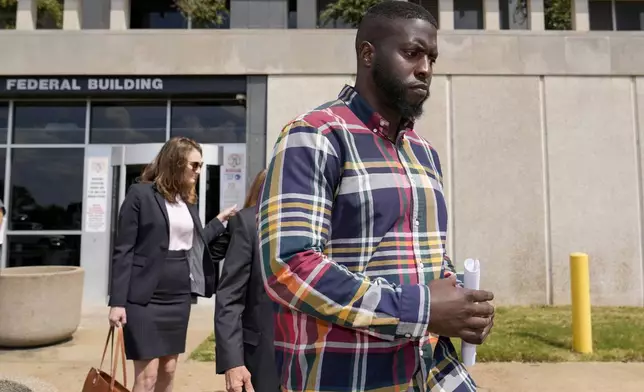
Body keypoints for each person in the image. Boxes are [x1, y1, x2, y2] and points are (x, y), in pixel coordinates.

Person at [258, 2, 495, 392]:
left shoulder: (423, 152)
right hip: (347, 375)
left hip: (431, 373)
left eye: (432, 57)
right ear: (368, 54)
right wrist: (419, 308)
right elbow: (289, 267)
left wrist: (463, 304)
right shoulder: (316, 136)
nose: (426, 68)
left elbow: (426, 257)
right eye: (412, 52)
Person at [108, 136, 237, 392]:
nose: (198, 171)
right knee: (147, 376)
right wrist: (117, 302)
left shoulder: (185, 201)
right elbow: (124, 250)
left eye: (200, 165)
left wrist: (219, 222)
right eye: (194, 165)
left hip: (178, 297)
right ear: (176, 163)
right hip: (144, 297)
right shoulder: (140, 195)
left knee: (169, 368)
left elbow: (193, 241)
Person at [214, 169, 280, 392]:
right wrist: (233, 361)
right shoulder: (249, 223)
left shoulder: (326, 224)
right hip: (263, 358)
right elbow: (229, 297)